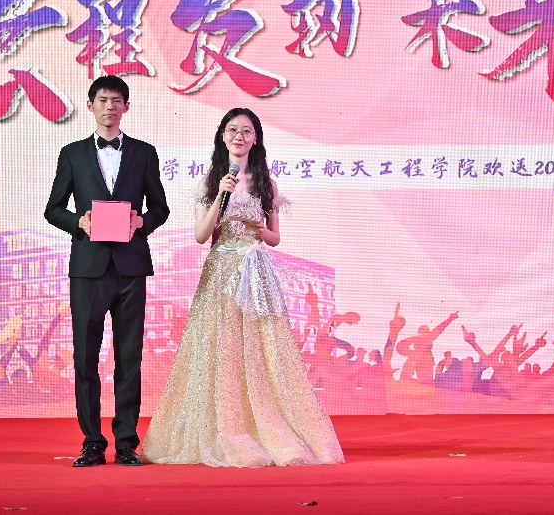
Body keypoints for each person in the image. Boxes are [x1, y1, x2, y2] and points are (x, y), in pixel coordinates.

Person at [143, 108, 343, 467]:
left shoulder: (266, 183)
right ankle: (224, 429)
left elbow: (275, 237)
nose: (239, 136)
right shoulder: (211, 182)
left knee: (261, 350)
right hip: (221, 271)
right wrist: (221, 197)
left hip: (256, 271)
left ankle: (265, 428)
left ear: (256, 139)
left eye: (246, 131)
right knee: (221, 348)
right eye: (232, 129)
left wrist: (258, 229)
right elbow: (202, 235)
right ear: (223, 136)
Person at [44, 75, 170, 467]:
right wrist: (78, 222)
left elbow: (160, 208)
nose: (109, 107)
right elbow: (53, 209)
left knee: (129, 358)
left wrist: (142, 222)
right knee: (85, 357)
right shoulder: (73, 154)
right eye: (102, 100)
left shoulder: (144, 153)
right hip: (88, 268)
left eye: (116, 100)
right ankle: (92, 442)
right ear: (91, 105)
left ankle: (127, 442)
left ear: (126, 107)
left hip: (131, 267)